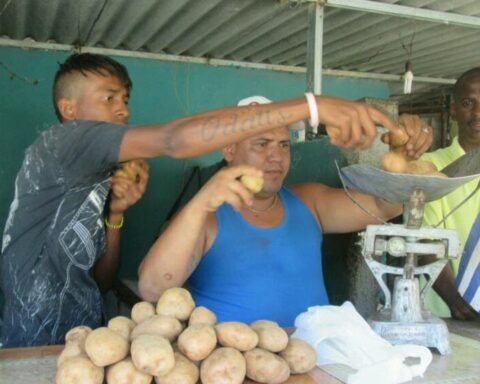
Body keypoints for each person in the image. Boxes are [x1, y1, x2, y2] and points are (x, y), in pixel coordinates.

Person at [0, 53, 406, 347]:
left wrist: (116, 216)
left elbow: (101, 280)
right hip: (30, 335)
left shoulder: (98, 176)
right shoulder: (63, 141)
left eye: (284, 144)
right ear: (68, 109)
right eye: (109, 99)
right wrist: (313, 106)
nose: (122, 110)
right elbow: (153, 285)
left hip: (81, 332)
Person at [138, 96, 432, 327]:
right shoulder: (204, 216)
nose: (276, 156)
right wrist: (201, 202)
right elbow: (152, 288)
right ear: (229, 150)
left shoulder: (309, 201)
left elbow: (386, 205)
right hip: (236, 366)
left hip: (315, 360)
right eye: (261, 143)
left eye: (283, 145)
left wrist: (403, 151)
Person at [421, 67, 480, 321]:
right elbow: (425, 242)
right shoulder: (430, 166)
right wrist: (457, 302)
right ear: (454, 109)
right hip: (448, 314)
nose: (478, 113)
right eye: (469, 102)